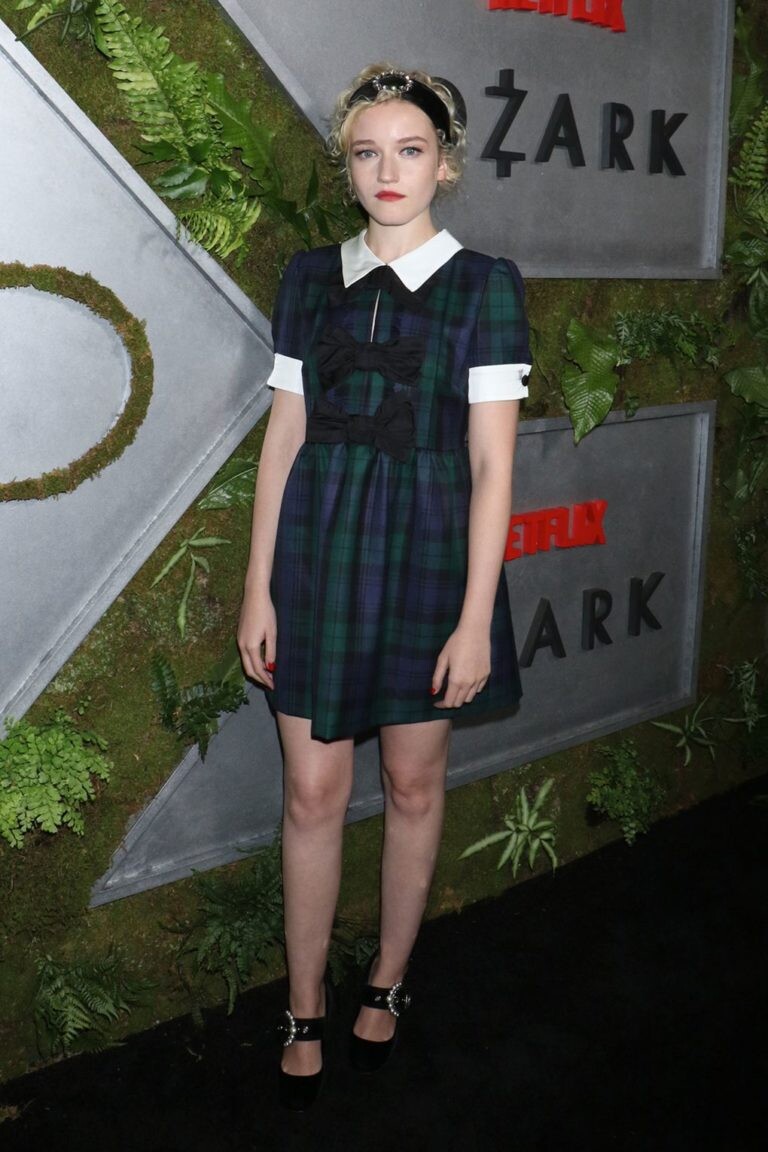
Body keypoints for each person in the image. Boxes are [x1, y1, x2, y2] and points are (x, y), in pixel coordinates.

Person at [237, 63, 531, 1111]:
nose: (387, 169)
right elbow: (283, 441)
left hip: (428, 559)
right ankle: (302, 1004)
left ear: (446, 164)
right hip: (315, 557)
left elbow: (493, 464)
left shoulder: (485, 284)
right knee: (311, 795)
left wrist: (474, 619)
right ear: (348, 166)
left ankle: (389, 981)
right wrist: (258, 587)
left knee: (412, 785)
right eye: (367, 152)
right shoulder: (307, 280)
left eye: (410, 149)